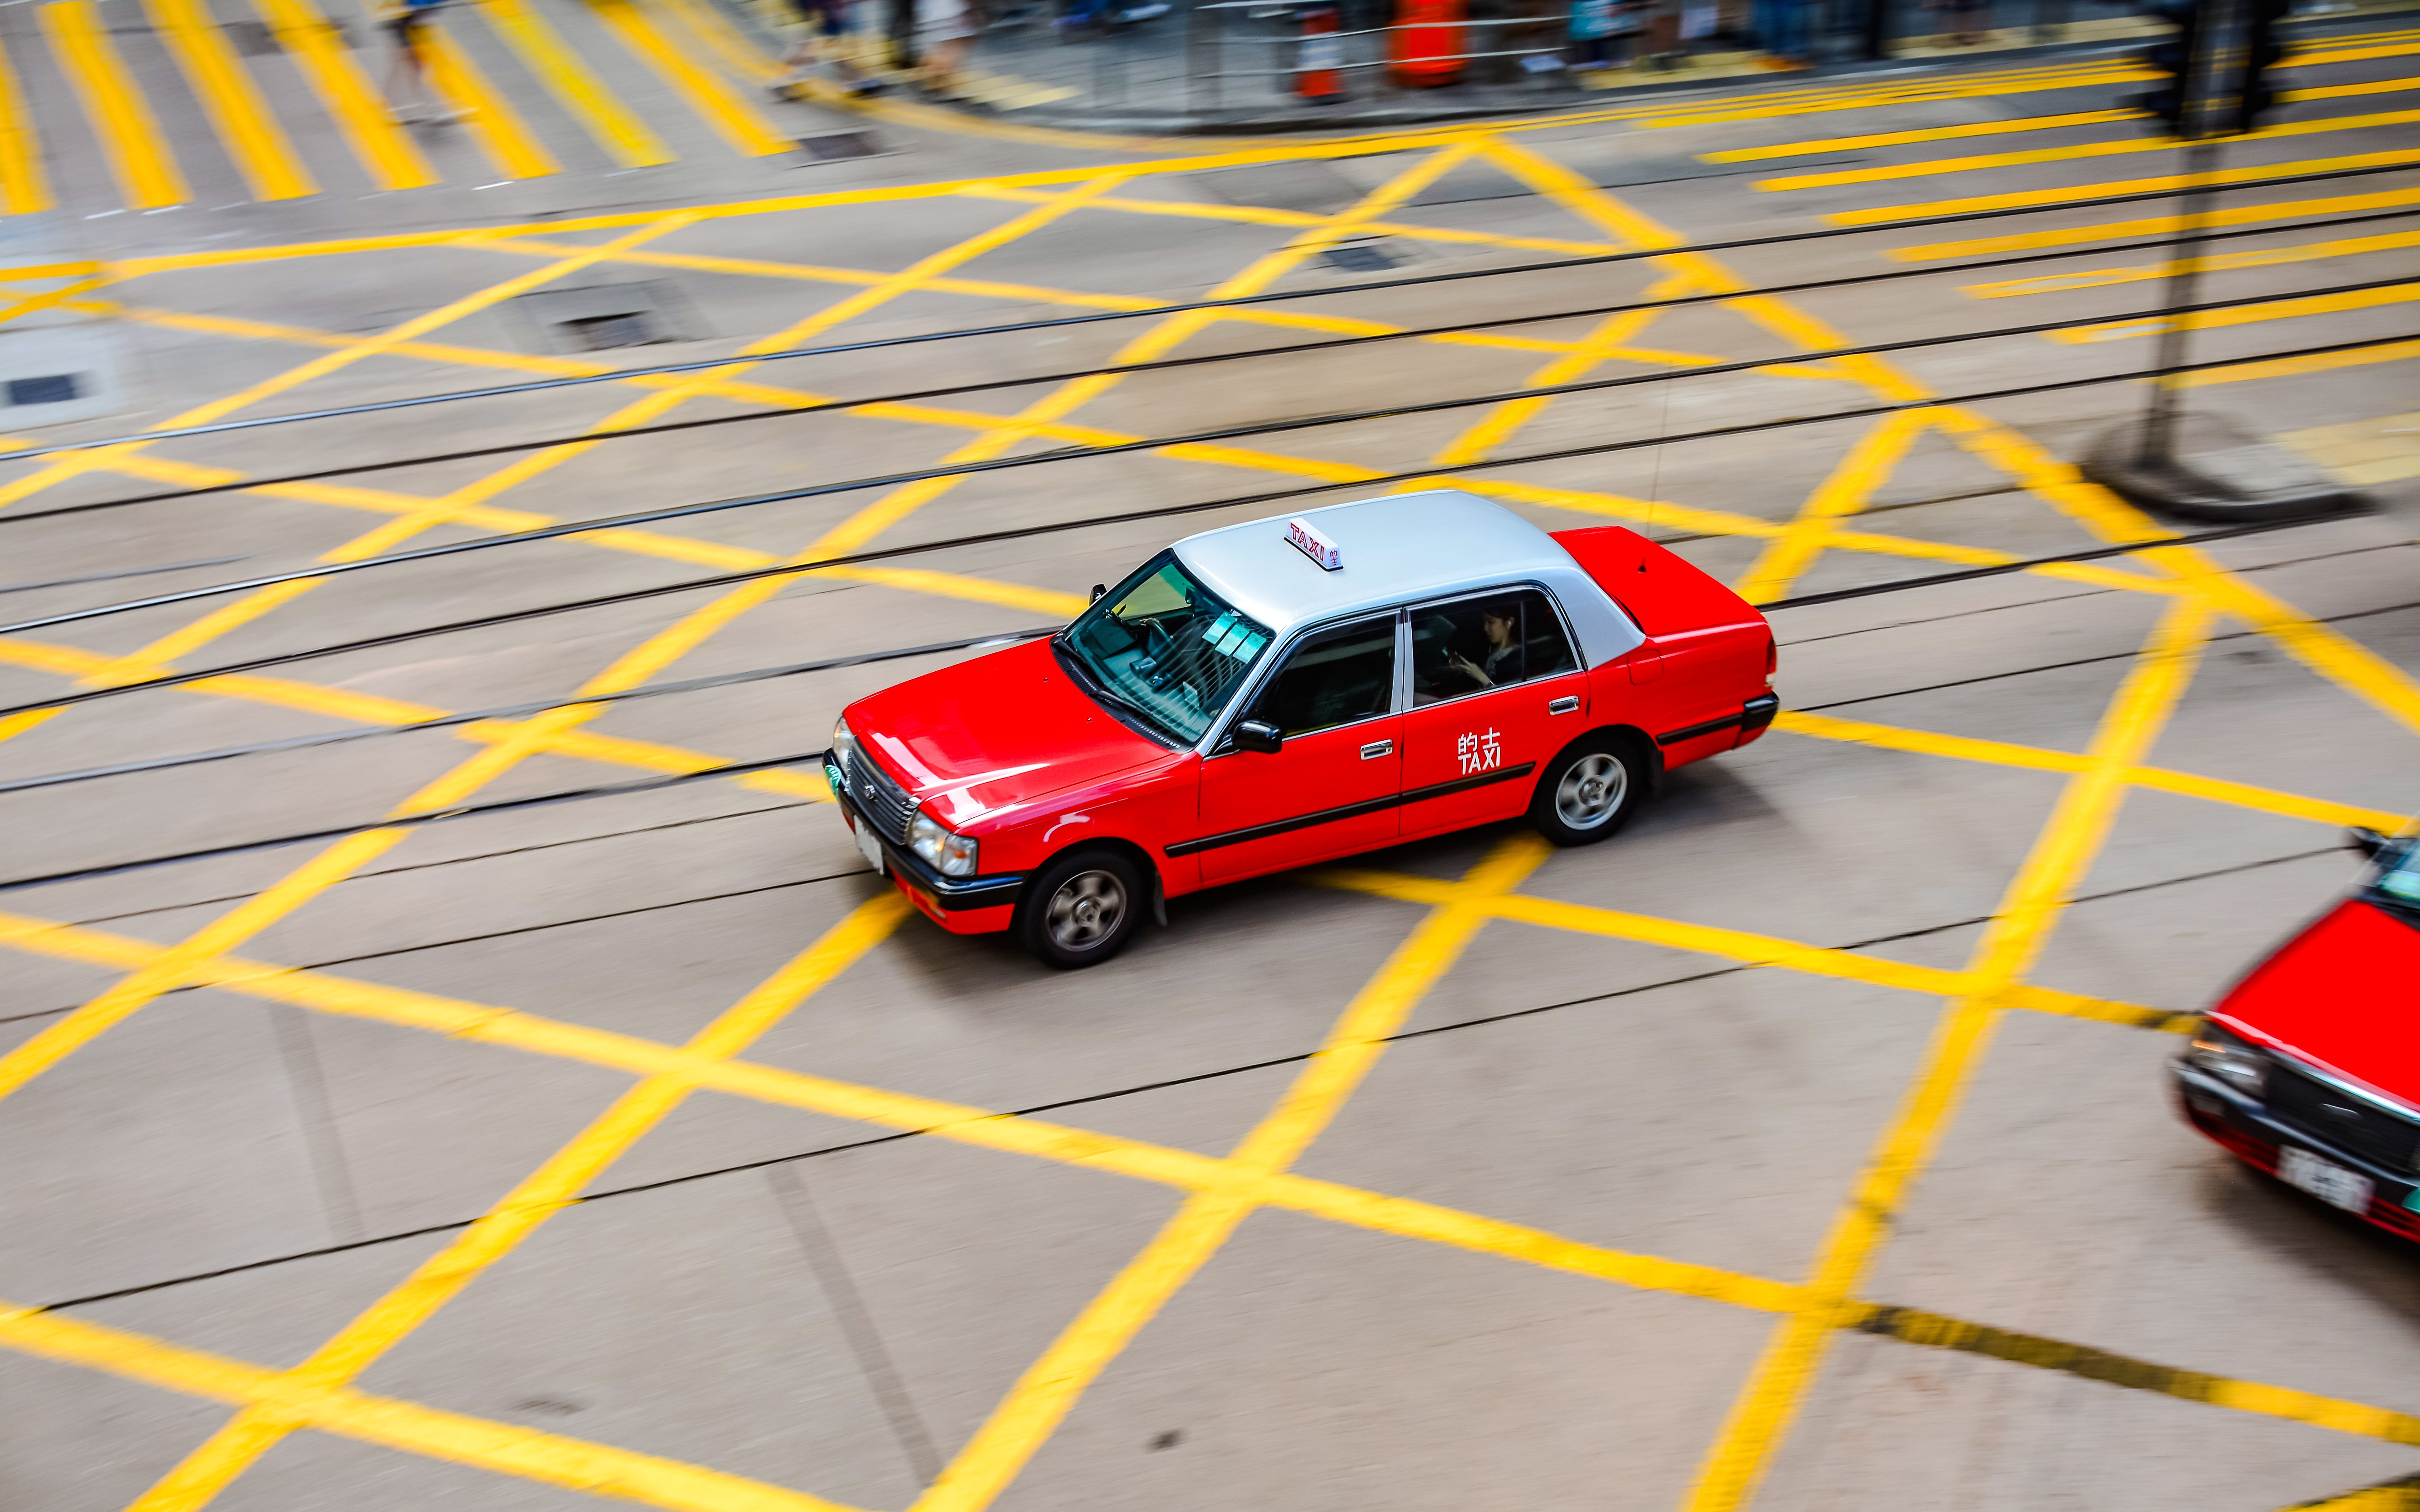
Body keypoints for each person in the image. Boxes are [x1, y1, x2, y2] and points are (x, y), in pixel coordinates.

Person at [382, 0, 467, 124]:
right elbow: (409, 15)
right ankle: (431, 109)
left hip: (409, 27)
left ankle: (394, 107)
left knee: (405, 70)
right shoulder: (417, 6)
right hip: (406, 29)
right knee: (413, 69)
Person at [1441, 605, 1522, 691]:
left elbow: (1508, 697)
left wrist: (1481, 677)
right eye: (1485, 623)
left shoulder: (1517, 659)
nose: (1485, 628)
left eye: (1491, 622)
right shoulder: (1489, 647)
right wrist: (1465, 670)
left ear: (1509, 623)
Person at [914, 0, 979, 96]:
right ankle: (941, 83)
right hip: (947, 11)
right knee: (955, 44)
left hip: (943, 9)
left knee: (955, 43)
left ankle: (938, 82)